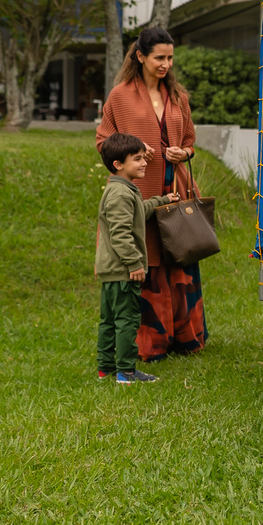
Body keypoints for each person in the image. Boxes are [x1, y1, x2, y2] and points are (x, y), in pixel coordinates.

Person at [96, 27, 208, 361]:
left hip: (175, 188)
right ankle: (149, 343)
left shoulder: (178, 96)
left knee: (180, 257)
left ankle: (187, 337)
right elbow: (103, 142)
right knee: (147, 260)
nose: (166, 64)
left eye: (170, 58)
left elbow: (190, 141)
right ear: (140, 56)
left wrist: (182, 154)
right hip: (139, 191)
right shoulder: (119, 95)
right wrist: (132, 147)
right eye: (159, 57)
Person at [95, 133, 180, 384]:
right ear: (118, 164)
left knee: (109, 320)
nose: (144, 163)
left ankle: (105, 368)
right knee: (127, 320)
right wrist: (134, 263)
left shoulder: (121, 190)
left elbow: (139, 211)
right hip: (123, 270)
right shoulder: (121, 195)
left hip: (111, 270)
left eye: (143, 158)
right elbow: (120, 233)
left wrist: (163, 200)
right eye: (137, 159)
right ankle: (126, 372)